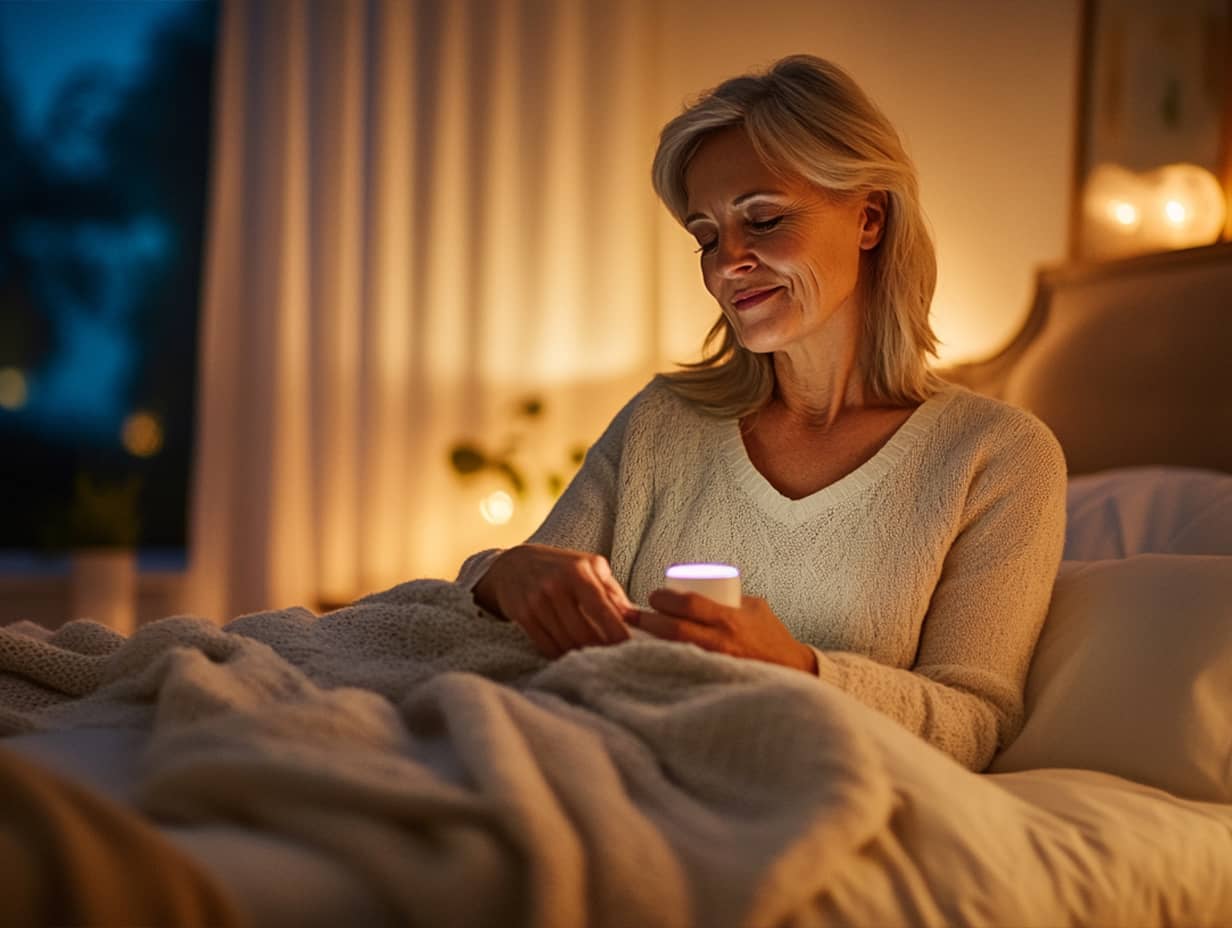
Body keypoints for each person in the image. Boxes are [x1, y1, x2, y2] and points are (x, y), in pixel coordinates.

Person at [457, 55, 1066, 772]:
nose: (726, 264)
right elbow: (494, 602)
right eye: (706, 236)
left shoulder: (994, 455)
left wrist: (803, 671)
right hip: (582, 751)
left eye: (764, 219)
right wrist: (510, 572)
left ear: (868, 217)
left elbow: (976, 722)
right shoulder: (664, 421)